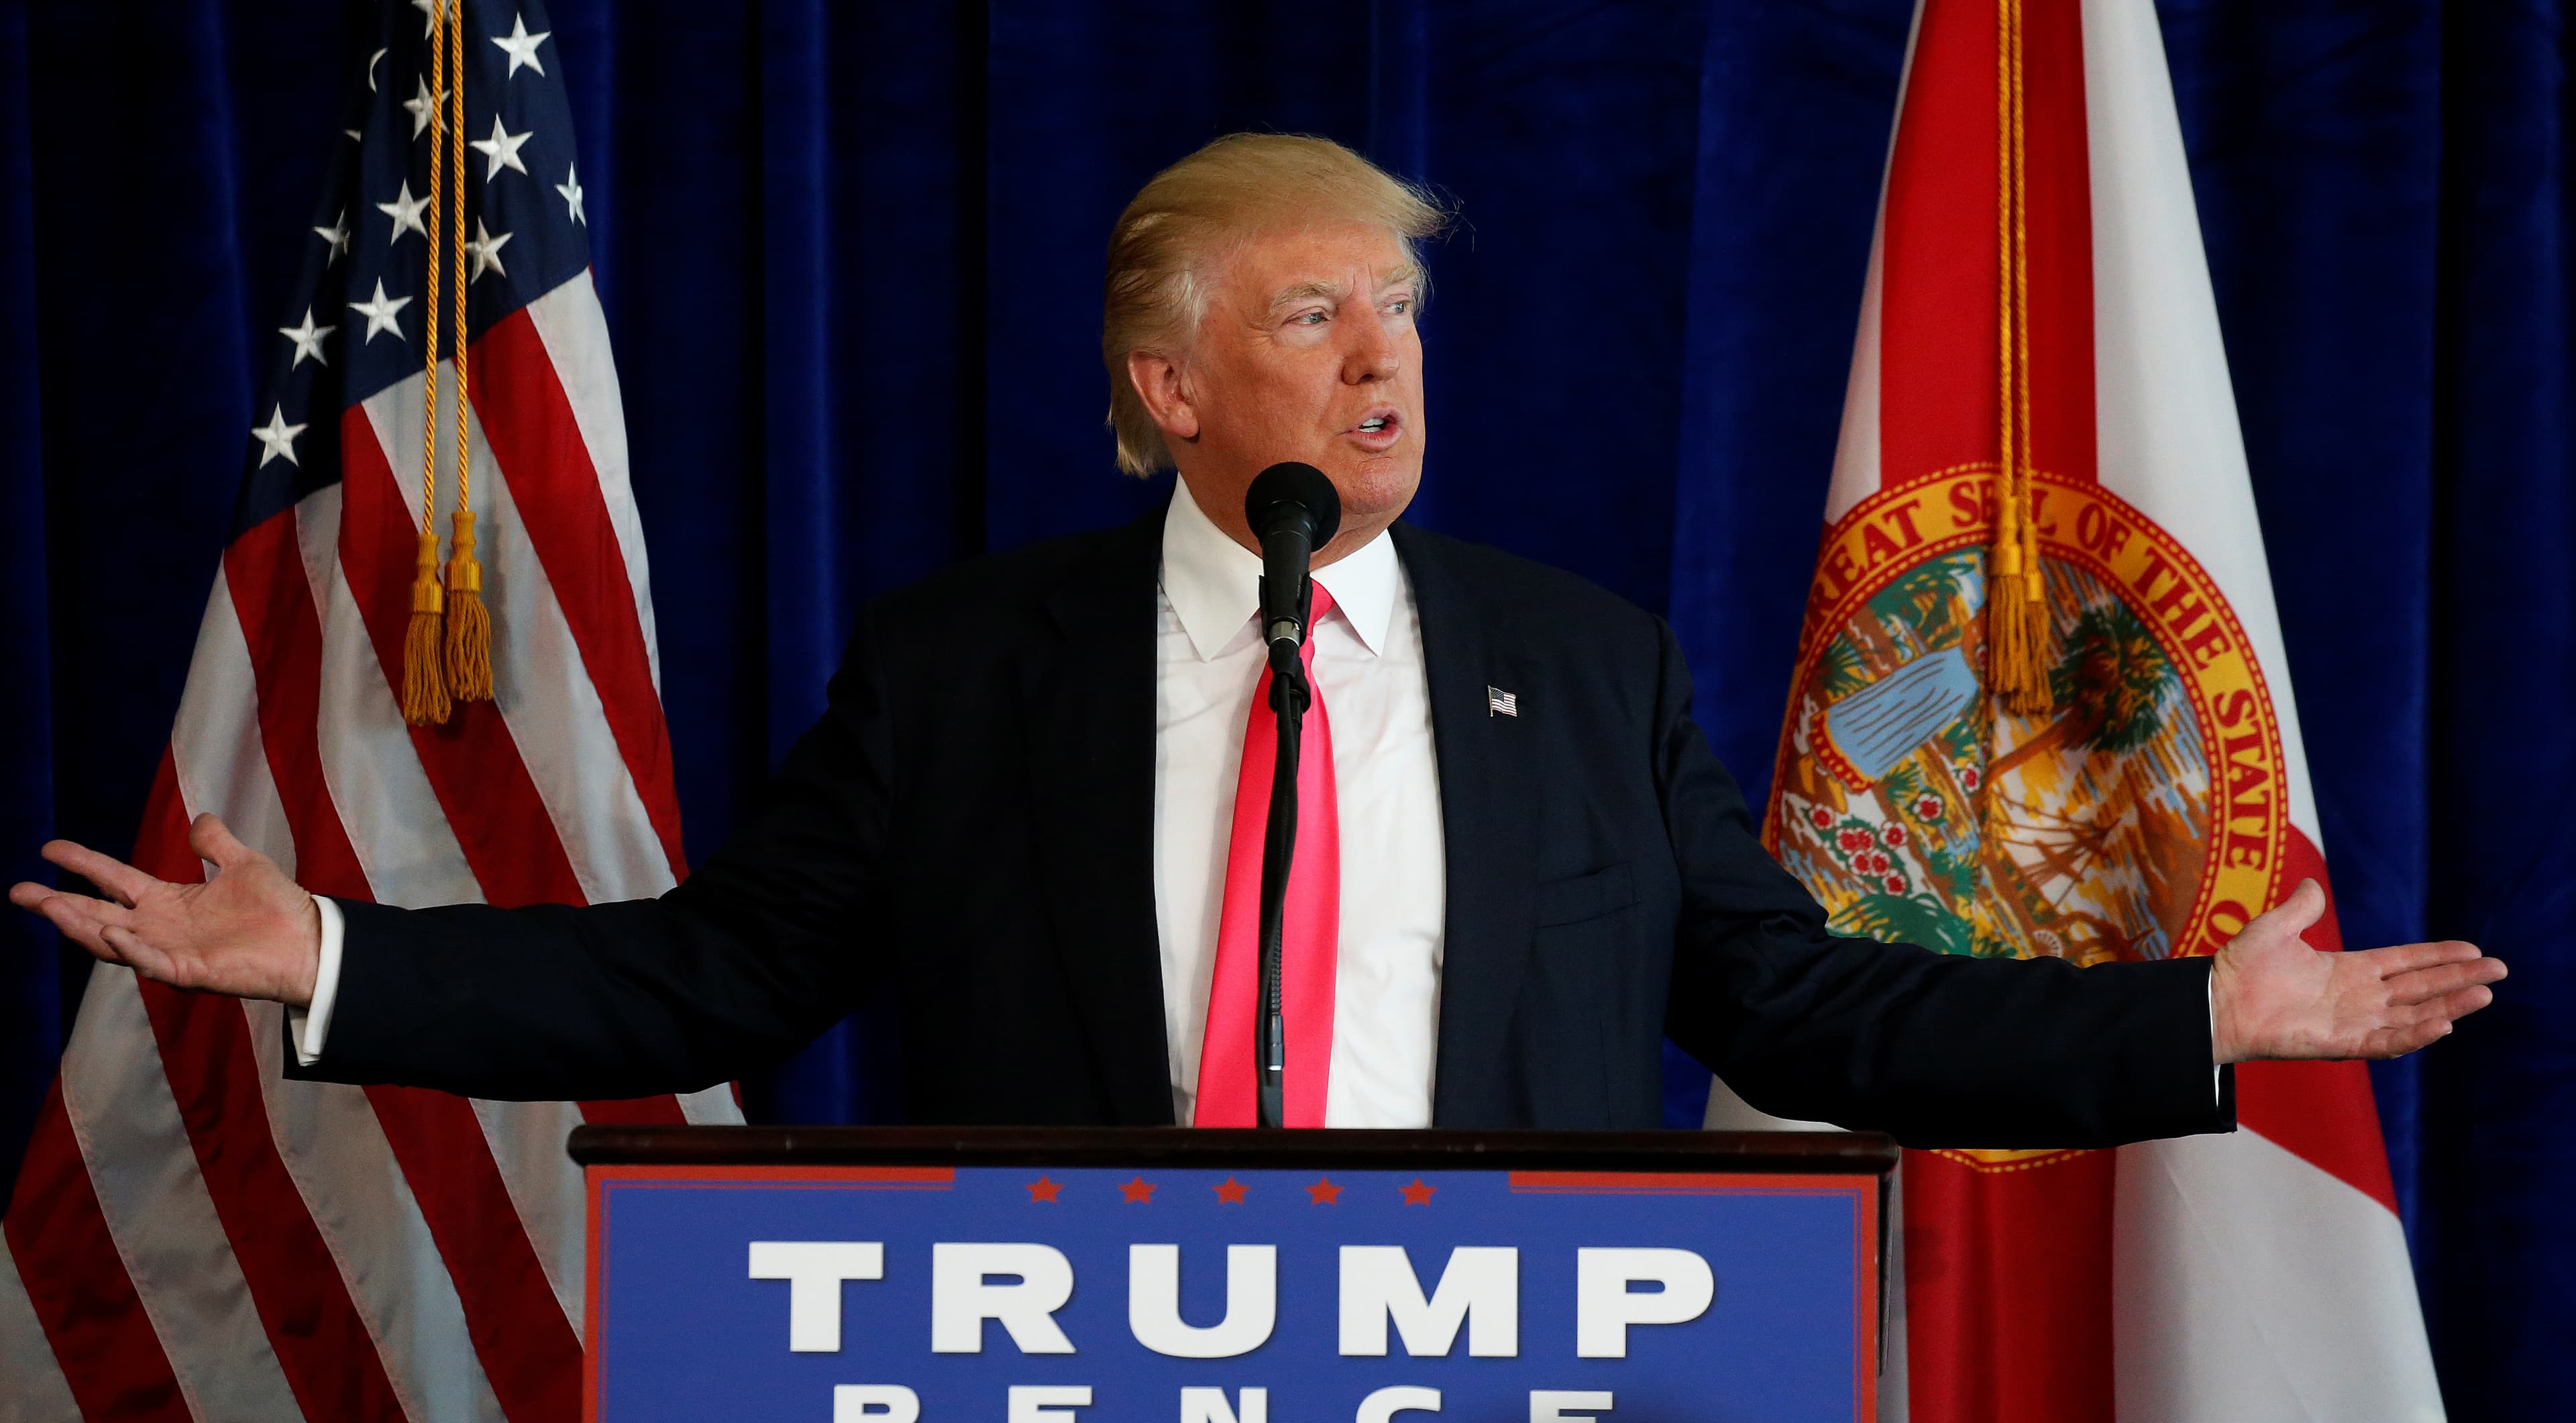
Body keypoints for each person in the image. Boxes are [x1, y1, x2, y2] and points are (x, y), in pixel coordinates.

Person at [9, 135, 2502, 1144]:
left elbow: (1804, 1008)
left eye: (1400, 311)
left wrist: (2202, 1015)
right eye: (1318, 312)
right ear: (1172, 387)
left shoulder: (1579, 664)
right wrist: (333, 957)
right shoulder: (975, 667)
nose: (1385, 355)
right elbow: (713, 988)